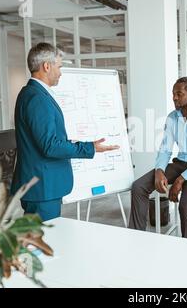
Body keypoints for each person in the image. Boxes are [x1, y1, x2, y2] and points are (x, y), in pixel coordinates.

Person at [11, 42, 118, 221]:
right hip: (43, 188)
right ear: (47, 66)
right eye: (59, 66)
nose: (60, 72)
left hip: (42, 186)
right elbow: (50, 146)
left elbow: (46, 140)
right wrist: (89, 148)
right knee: (43, 242)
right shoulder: (37, 98)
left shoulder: (33, 94)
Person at [129, 77, 187, 239]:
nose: (174, 97)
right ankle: (137, 237)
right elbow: (165, 148)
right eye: (173, 94)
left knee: (186, 206)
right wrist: (159, 170)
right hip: (180, 163)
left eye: (179, 94)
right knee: (139, 186)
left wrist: (180, 180)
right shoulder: (172, 117)